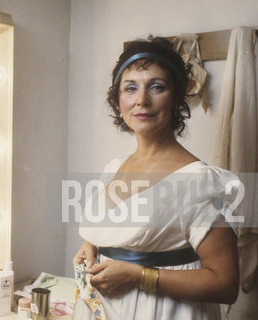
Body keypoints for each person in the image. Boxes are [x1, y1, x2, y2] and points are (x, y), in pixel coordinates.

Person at [72, 38, 240, 320]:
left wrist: (139, 275)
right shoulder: (114, 168)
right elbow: (123, 236)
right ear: (118, 99)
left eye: (156, 86)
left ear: (176, 97)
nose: (141, 100)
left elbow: (226, 284)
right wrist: (91, 246)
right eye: (130, 88)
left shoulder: (200, 182)